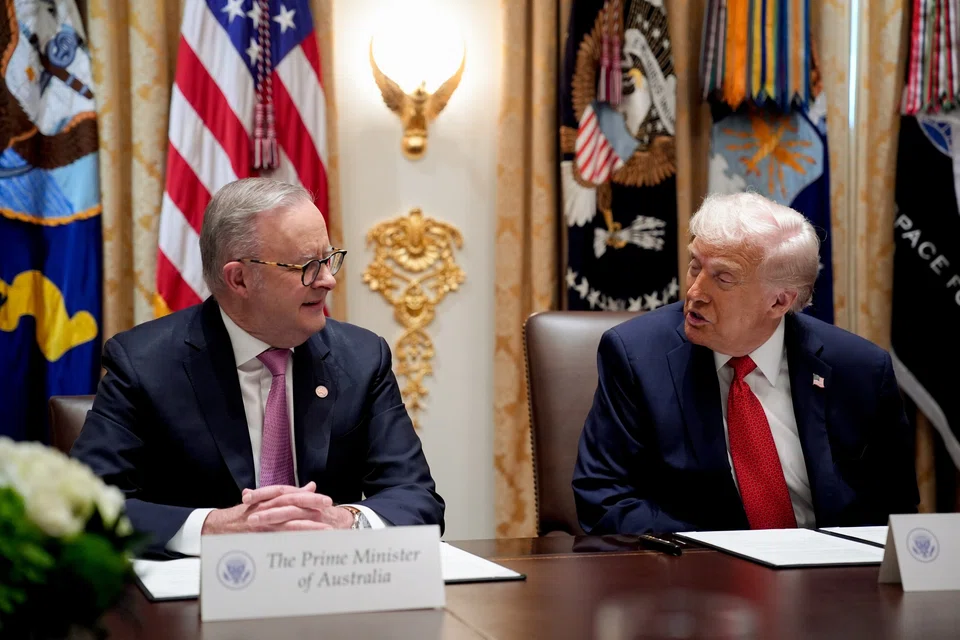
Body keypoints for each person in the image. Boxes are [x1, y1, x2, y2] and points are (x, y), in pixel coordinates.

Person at [72, 178, 444, 557]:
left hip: (329, 581)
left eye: (328, 259)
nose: (328, 280)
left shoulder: (362, 358)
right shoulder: (144, 363)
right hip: (198, 588)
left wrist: (345, 521)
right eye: (308, 266)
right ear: (240, 279)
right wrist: (214, 528)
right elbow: (84, 507)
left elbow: (416, 497)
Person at [573, 192, 919, 534]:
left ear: (779, 302)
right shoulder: (636, 357)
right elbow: (604, 498)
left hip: (829, 564)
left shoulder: (861, 370)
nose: (695, 292)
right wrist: (718, 553)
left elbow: (896, 509)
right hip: (699, 564)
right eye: (695, 266)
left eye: (723, 277)